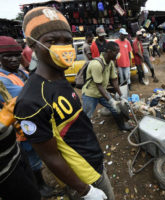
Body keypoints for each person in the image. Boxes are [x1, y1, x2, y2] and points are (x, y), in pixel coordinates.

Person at [15, 7, 114, 200]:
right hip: (83, 178)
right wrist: (85, 191)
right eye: (51, 41)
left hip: (94, 162)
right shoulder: (31, 101)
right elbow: (49, 156)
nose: (63, 47)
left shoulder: (60, 79)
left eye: (67, 41)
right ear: (33, 45)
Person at [0, 36, 55, 198]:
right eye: (7, 56)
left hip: (32, 124)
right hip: (20, 130)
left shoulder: (21, 72)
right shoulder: (2, 80)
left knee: (36, 157)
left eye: (17, 54)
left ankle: (40, 184)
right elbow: (30, 95)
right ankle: (39, 187)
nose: (13, 59)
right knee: (32, 161)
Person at [82, 41, 133, 131]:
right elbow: (99, 85)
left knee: (116, 109)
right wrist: (111, 100)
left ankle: (122, 126)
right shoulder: (96, 64)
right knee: (86, 116)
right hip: (91, 94)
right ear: (109, 51)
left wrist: (121, 96)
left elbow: (114, 80)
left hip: (102, 93)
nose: (118, 54)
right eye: (116, 52)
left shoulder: (110, 63)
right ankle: (84, 135)